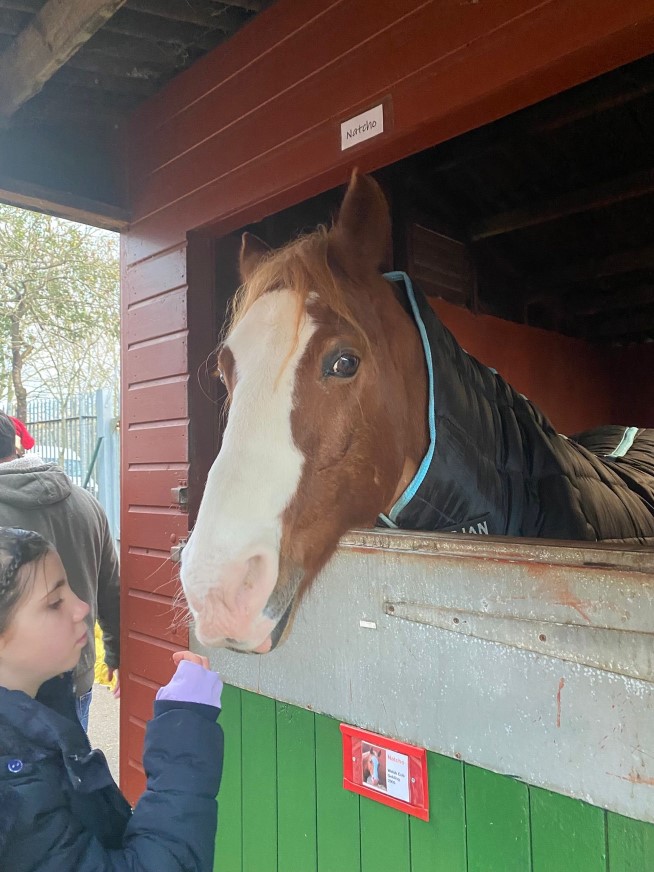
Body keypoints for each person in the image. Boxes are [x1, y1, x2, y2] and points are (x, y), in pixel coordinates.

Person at [0, 527, 224, 871]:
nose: (82, 607)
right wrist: (183, 734)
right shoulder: (14, 789)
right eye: (54, 603)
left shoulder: (41, 719)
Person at [0, 411, 120, 730]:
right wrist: (118, 657)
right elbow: (112, 591)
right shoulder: (87, 503)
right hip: (72, 680)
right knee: (71, 777)